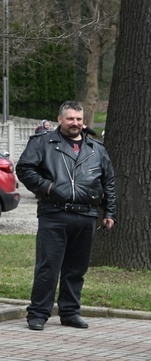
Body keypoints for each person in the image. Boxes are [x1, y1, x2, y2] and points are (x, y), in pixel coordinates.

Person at [15, 100, 117, 331]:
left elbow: (108, 181)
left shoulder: (96, 149)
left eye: (79, 119)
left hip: (86, 215)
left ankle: (70, 312)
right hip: (54, 214)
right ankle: (39, 313)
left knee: (76, 268)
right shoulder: (43, 143)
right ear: (60, 119)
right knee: (48, 267)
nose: (75, 123)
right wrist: (48, 188)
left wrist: (110, 211)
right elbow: (24, 168)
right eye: (70, 118)